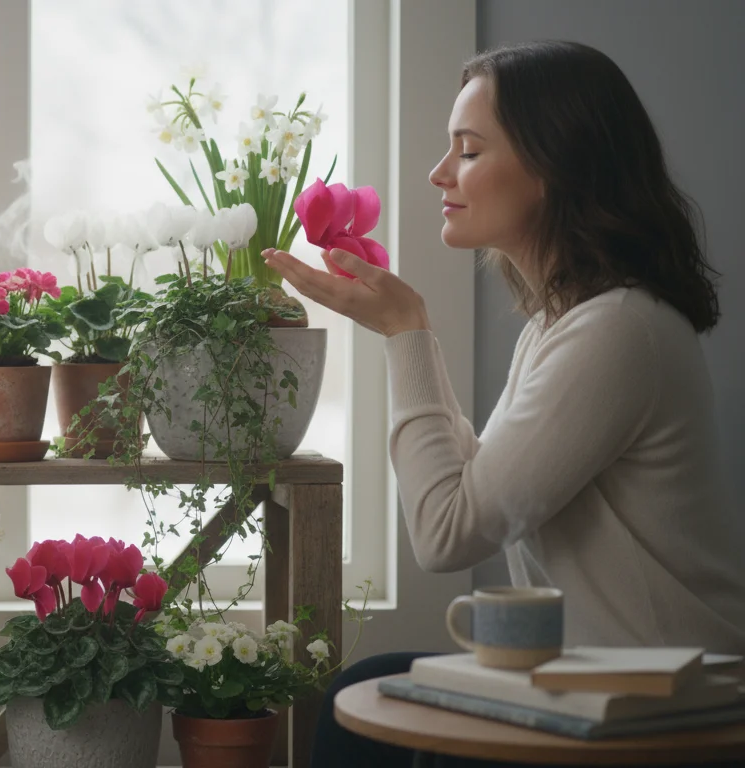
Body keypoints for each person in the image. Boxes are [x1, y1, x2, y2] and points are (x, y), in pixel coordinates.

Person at [262, 40, 745, 767]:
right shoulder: (566, 325)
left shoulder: (615, 332)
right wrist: (407, 333)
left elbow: (448, 533)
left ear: (554, 167)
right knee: (360, 689)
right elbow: (476, 492)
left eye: (469, 150)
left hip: (669, 701)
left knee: (377, 718)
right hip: (590, 681)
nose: (439, 173)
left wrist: (405, 333)